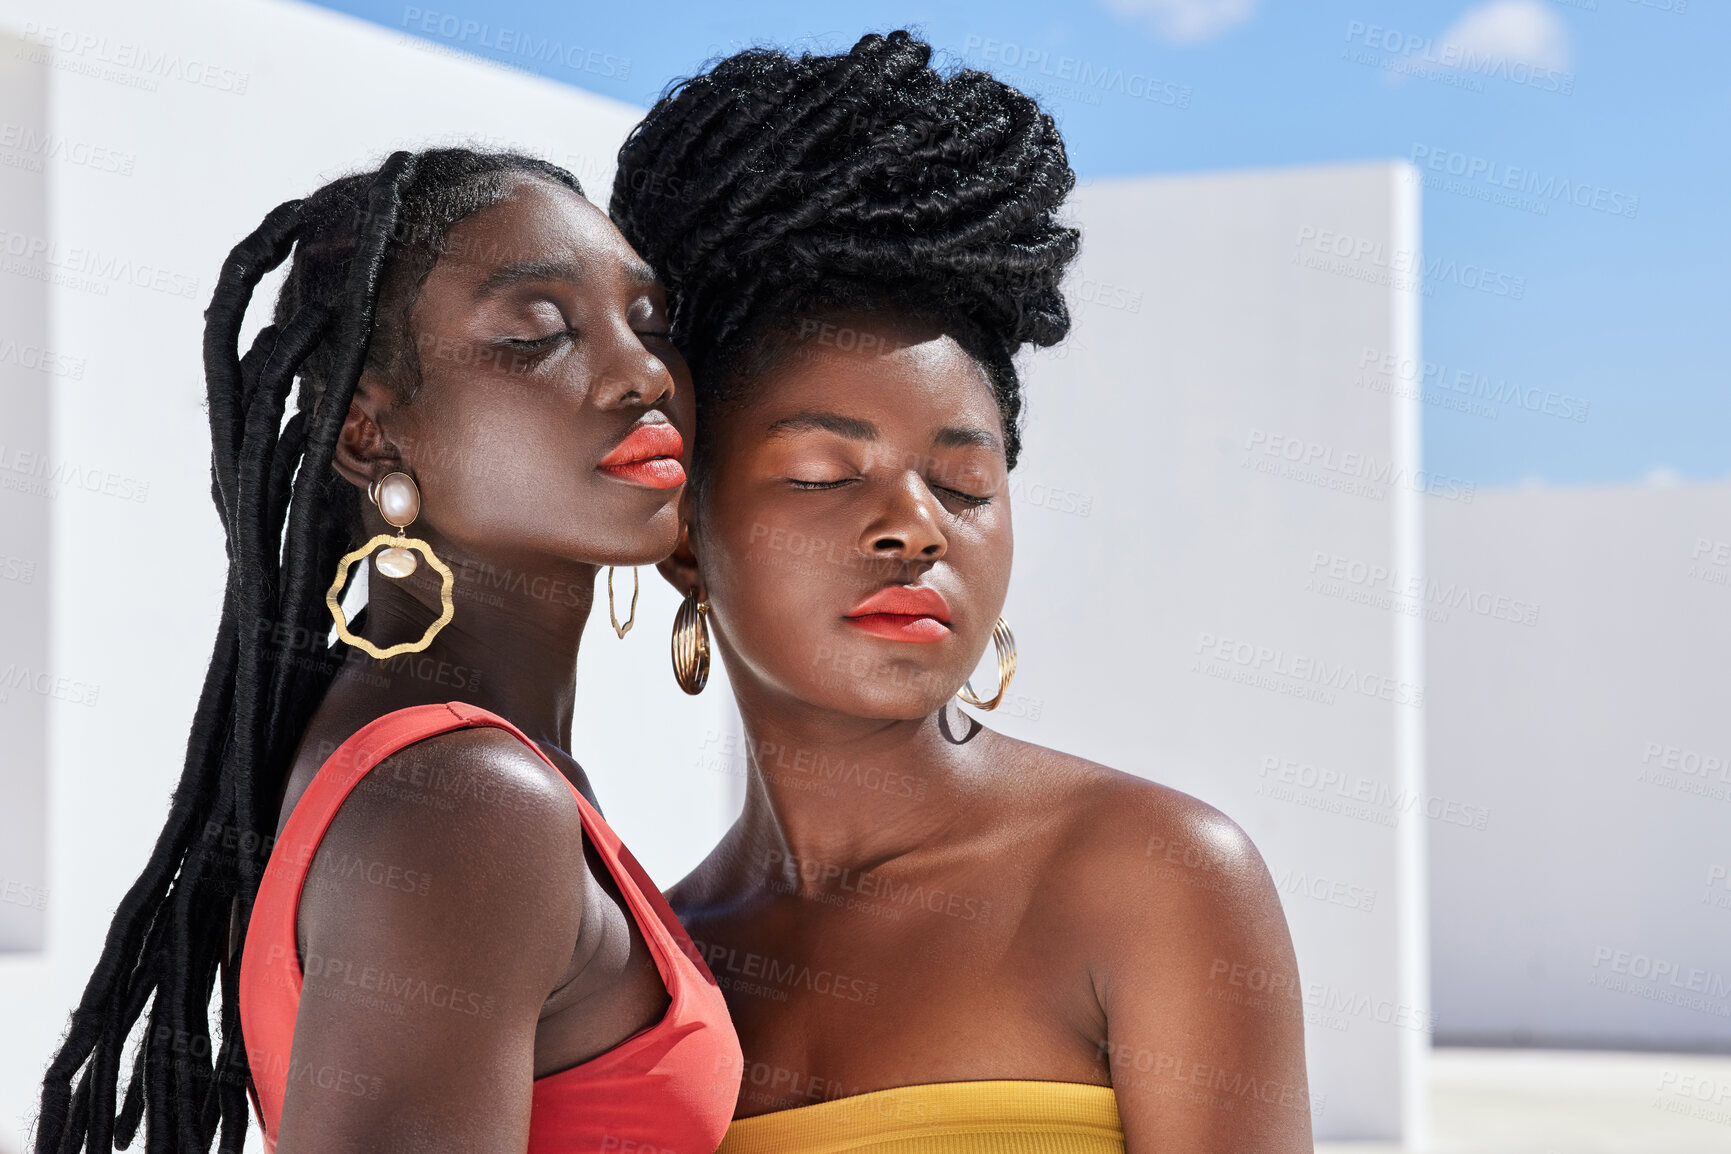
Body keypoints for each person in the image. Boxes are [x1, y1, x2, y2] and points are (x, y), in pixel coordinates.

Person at [611, 33, 1311, 1153]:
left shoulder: (1155, 880)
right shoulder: (654, 962)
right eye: (822, 474)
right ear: (687, 542)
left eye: (963, 481)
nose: (915, 523)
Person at [36, 148, 741, 1154]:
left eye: (652, 322)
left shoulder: (425, 756)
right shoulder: (470, 802)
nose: (642, 373)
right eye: (539, 332)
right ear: (367, 434)